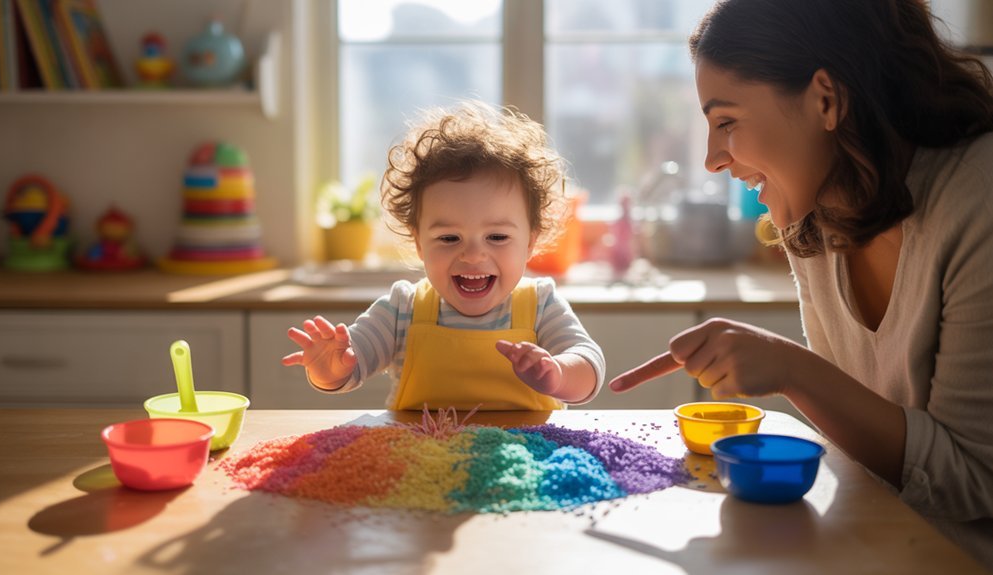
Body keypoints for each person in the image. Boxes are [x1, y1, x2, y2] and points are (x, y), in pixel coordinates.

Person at [609, 0, 993, 567]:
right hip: (873, 543)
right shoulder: (813, 214)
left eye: (727, 122)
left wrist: (792, 369)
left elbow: (973, 480)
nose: (714, 159)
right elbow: (868, 455)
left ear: (825, 99)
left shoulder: (978, 200)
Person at [283, 101, 605, 411]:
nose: (474, 255)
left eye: (497, 237)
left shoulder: (541, 307)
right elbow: (352, 363)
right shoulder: (402, 311)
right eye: (449, 238)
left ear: (530, 242)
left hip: (526, 458)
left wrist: (558, 373)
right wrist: (329, 369)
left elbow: (590, 367)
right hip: (424, 460)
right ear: (419, 243)